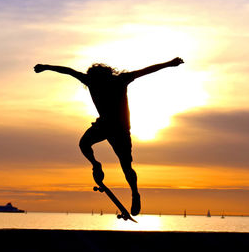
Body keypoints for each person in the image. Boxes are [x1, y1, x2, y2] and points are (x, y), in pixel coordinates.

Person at [34, 57, 184, 216]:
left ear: (106, 75)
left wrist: (169, 64)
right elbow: (69, 71)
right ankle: (96, 165)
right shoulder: (93, 80)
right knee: (84, 144)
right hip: (104, 125)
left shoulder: (119, 80)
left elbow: (146, 71)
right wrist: (46, 67)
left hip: (120, 130)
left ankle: (135, 193)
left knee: (126, 166)